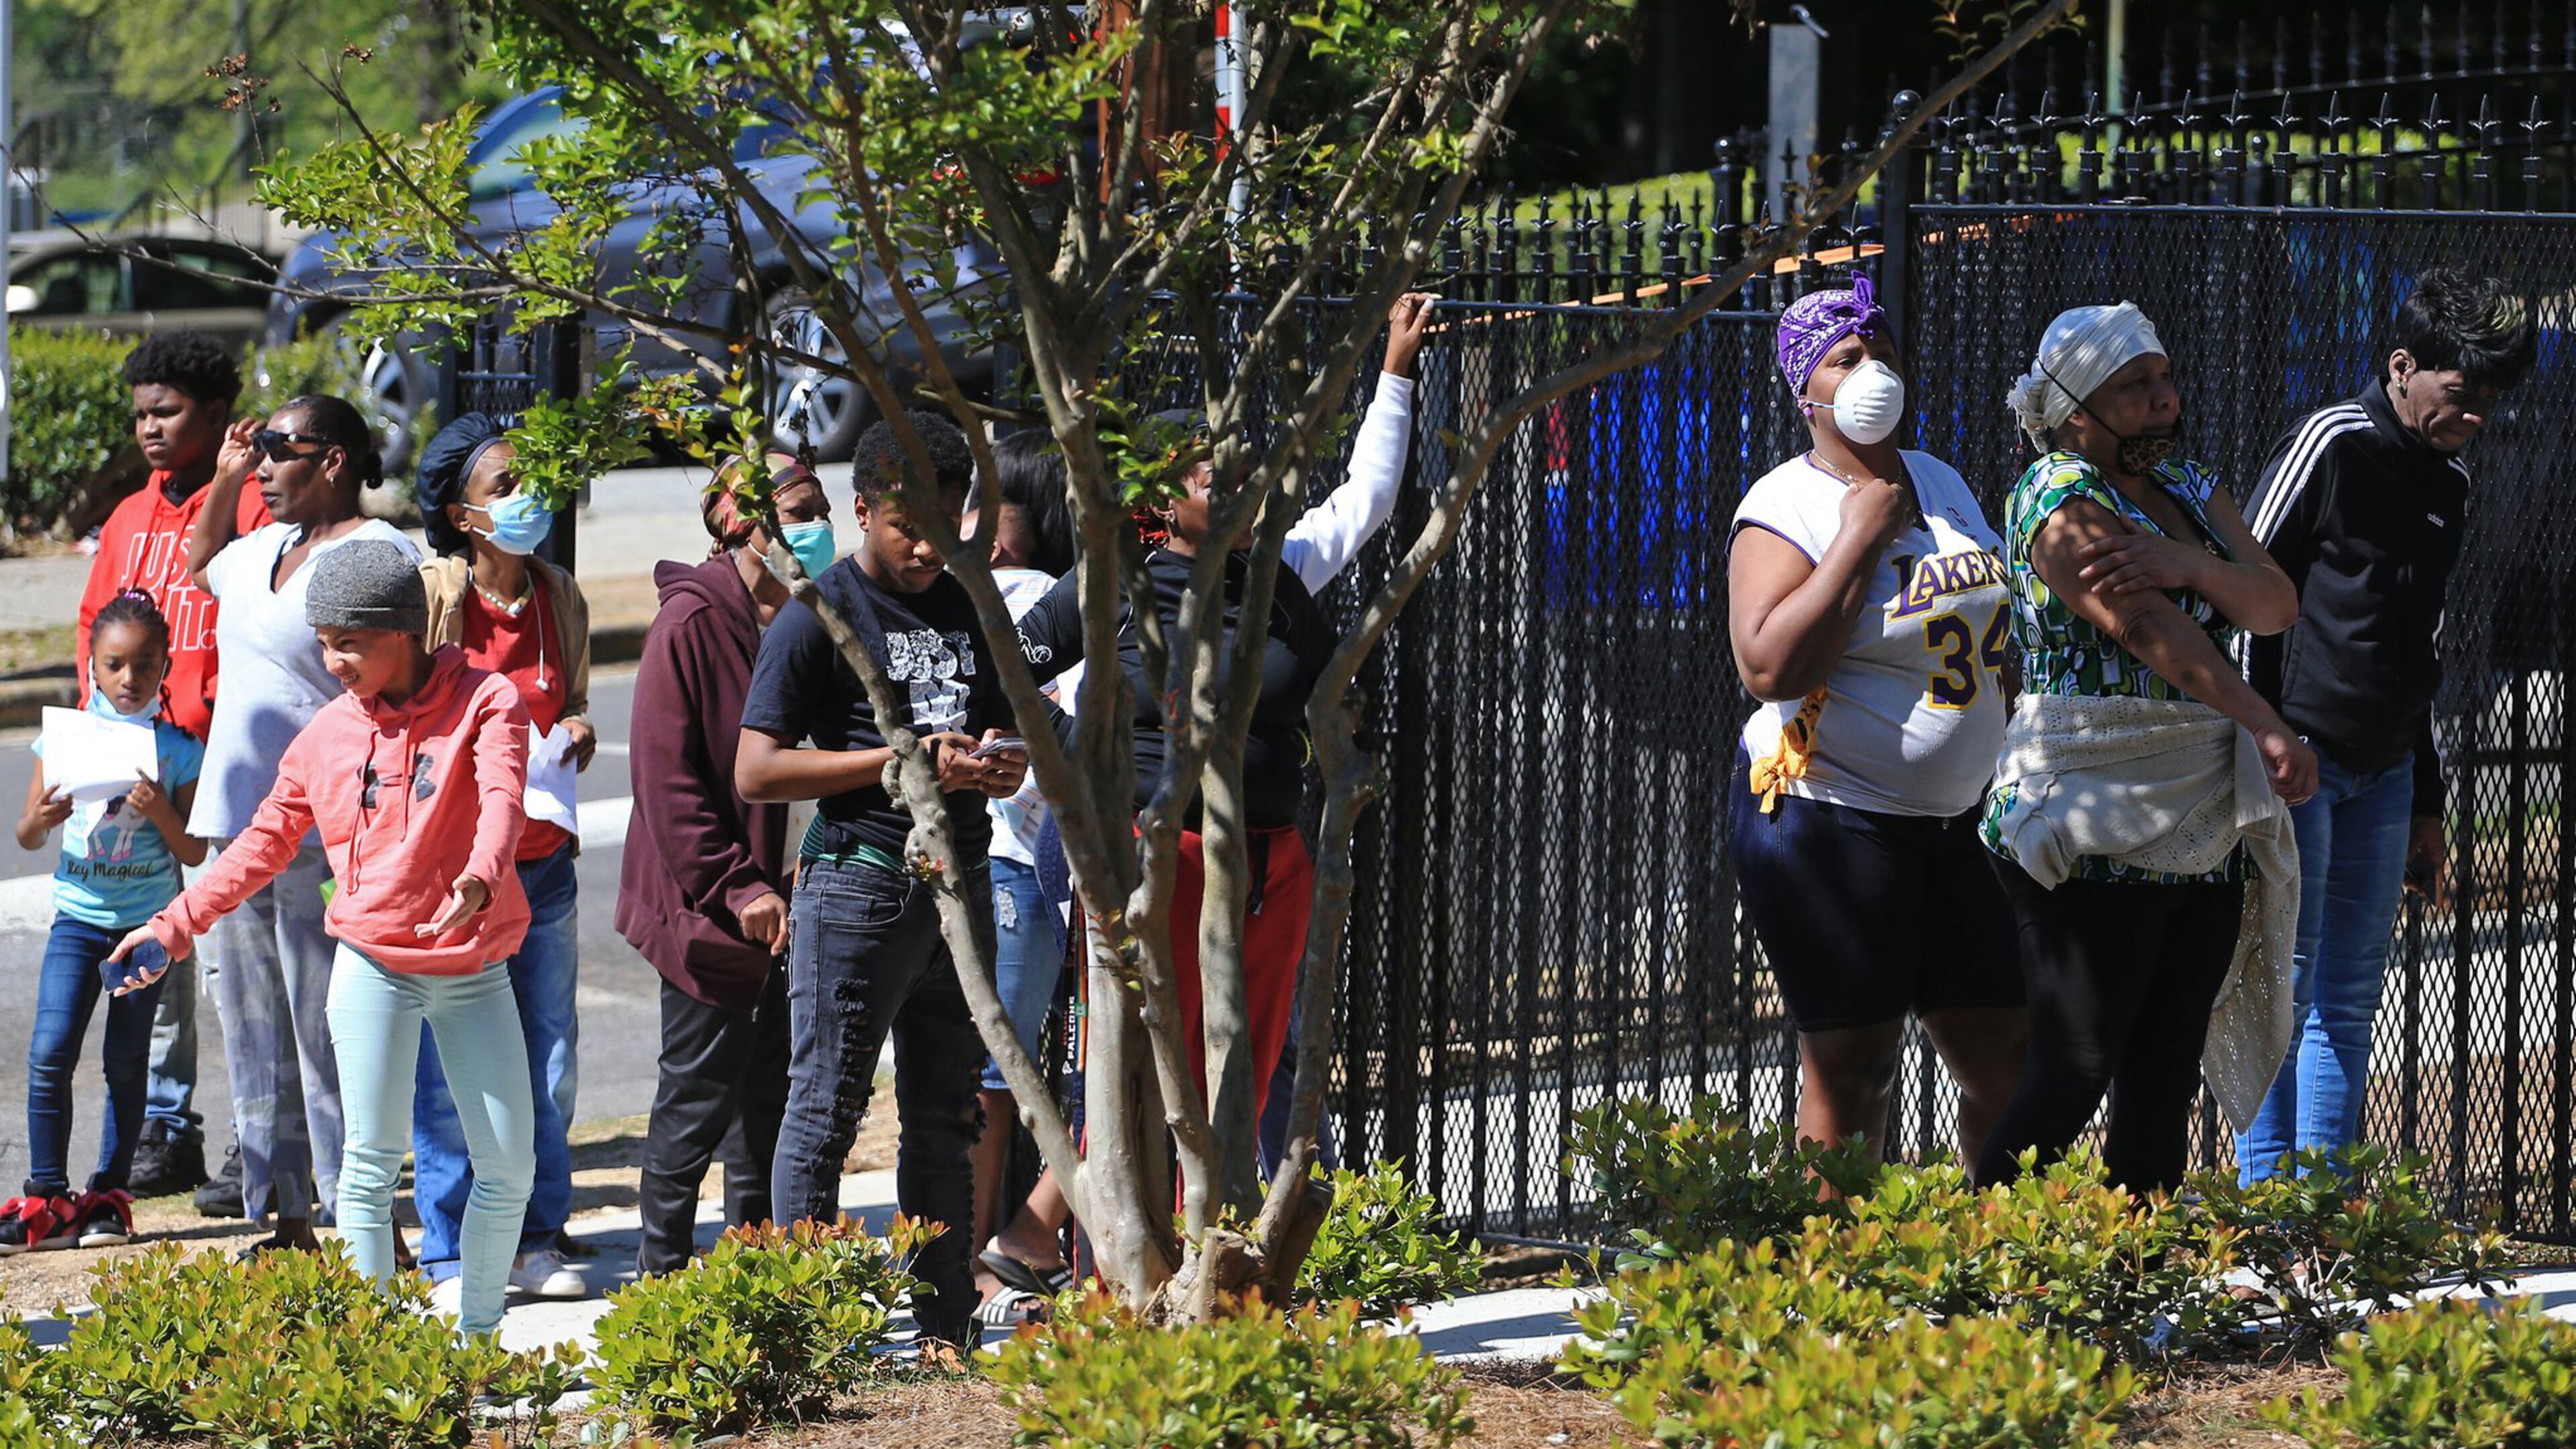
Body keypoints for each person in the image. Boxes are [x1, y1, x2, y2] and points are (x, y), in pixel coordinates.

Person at [1000, 291, 1430, 1281]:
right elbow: (1009, 667)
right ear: (1160, 497)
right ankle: (1099, 1262)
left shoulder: (1280, 582)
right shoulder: (1114, 580)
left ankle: (1204, 1269)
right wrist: (1074, 746)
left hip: (1272, 863)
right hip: (1164, 864)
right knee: (1152, 1070)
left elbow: (1362, 519)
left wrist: (1395, 375)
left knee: (1238, 1074)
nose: (1236, 474)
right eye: (1209, 468)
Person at [111, 541, 536, 1338]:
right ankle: (381, 1358)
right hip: (372, 964)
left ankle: (477, 1342)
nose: (331, 660)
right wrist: (169, 929)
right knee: (366, 1174)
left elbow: (505, 797)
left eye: (349, 641)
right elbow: (260, 843)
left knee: (511, 1166)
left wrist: (481, 875)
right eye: (323, 641)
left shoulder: (488, 701)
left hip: (471, 965)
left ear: (402, 633)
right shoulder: (323, 738)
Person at [1976, 303, 2316, 1195]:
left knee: (2163, 1077)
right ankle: (1966, 1290)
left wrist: (2188, 562)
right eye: (2137, 387)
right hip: (2090, 806)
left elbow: (2276, 603)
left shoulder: (2193, 485)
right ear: (2078, 409)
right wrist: (2264, 721)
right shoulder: (2055, 497)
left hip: (2198, 810)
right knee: (2077, 1067)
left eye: (2164, 379)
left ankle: (2140, 1295)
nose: (2165, 400)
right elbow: (2147, 629)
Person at [2234, 270, 2538, 1183]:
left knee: (2349, 996)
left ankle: (2321, 1212)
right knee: (2280, 986)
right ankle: (2265, 1207)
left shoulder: (2451, 480)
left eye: (2492, 397)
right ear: (2403, 366)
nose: (2479, 414)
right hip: (2298, 758)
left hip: (2388, 770)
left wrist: (2428, 798)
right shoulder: (2330, 443)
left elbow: (2426, 645)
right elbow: (2244, 595)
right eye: (2463, 393)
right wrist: (2263, 740)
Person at [736, 411, 1028, 1346]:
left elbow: (994, 725)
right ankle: (800, 1337)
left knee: (946, 1119)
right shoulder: (821, 613)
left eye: (946, 526)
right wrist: (896, 761)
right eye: (908, 529)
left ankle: (945, 1332)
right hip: (858, 883)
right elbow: (758, 769)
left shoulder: (968, 602)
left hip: (963, 881)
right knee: (824, 1109)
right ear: (862, 511)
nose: (926, 548)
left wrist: (1000, 761)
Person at [1722, 274, 2026, 1166]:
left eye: (1882, 353)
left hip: (1956, 825)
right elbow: (1768, 666)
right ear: (1806, 389)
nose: (1871, 372)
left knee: (2006, 1056)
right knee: (1854, 1069)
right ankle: (1840, 1290)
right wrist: (1858, 535)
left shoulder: (1939, 478)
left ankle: (1999, 1269)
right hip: (1830, 817)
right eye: (1847, 358)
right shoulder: (1783, 507)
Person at [186, 396, 423, 1252]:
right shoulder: (260, 550)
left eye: (278, 449)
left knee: (337, 1029)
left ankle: (367, 1221)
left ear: (333, 460)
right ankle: (288, 1218)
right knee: (255, 1031)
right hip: (235, 826)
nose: (263, 466)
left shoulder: (376, 554)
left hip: (330, 834)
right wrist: (223, 476)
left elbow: (409, 683)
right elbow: (201, 560)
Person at [621, 455, 830, 1276]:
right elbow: (665, 781)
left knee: (771, 1100)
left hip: (799, 897)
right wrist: (734, 885)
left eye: (820, 508)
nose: (818, 526)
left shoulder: (816, 613)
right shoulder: (691, 623)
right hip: (710, 909)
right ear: (742, 525)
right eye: (799, 510)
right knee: (697, 1100)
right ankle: (660, 1280)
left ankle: (754, 1273)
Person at [405, 414, 596, 1302]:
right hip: (458, 876)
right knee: (450, 1068)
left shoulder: (560, 596)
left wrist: (582, 726)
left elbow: (572, 701)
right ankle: (449, 1247)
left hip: (544, 863)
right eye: (505, 489)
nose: (530, 502)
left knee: (547, 1064)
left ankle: (536, 1237)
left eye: (537, 484)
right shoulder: (438, 597)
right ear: (460, 514)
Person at [86, 332, 271, 1199]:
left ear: (218, 413)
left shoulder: (258, 507)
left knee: (234, 966)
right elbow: (90, 647)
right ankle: (170, 1126)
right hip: (138, 777)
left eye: (168, 412)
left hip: (227, 773)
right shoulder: (127, 519)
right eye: (140, 417)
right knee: (156, 961)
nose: (150, 430)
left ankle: (256, 1133)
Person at [0, 593, 207, 1251]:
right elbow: (27, 833)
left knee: (126, 1063)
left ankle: (108, 1197)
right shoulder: (65, 738)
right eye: (114, 664)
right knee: (48, 1054)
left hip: (144, 930)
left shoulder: (176, 750)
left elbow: (195, 851)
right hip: (79, 921)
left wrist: (160, 811)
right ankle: (46, 1195)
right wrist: (43, 818)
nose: (129, 678)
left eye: (145, 665)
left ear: (165, 666)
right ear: (91, 666)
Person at [962, 430, 1078, 1318]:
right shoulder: (1038, 596)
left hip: (987, 859)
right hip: (1022, 865)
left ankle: (968, 1254)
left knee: (987, 1070)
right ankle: (982, 1256)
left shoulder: (1003, 593)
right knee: (1002, 1073)